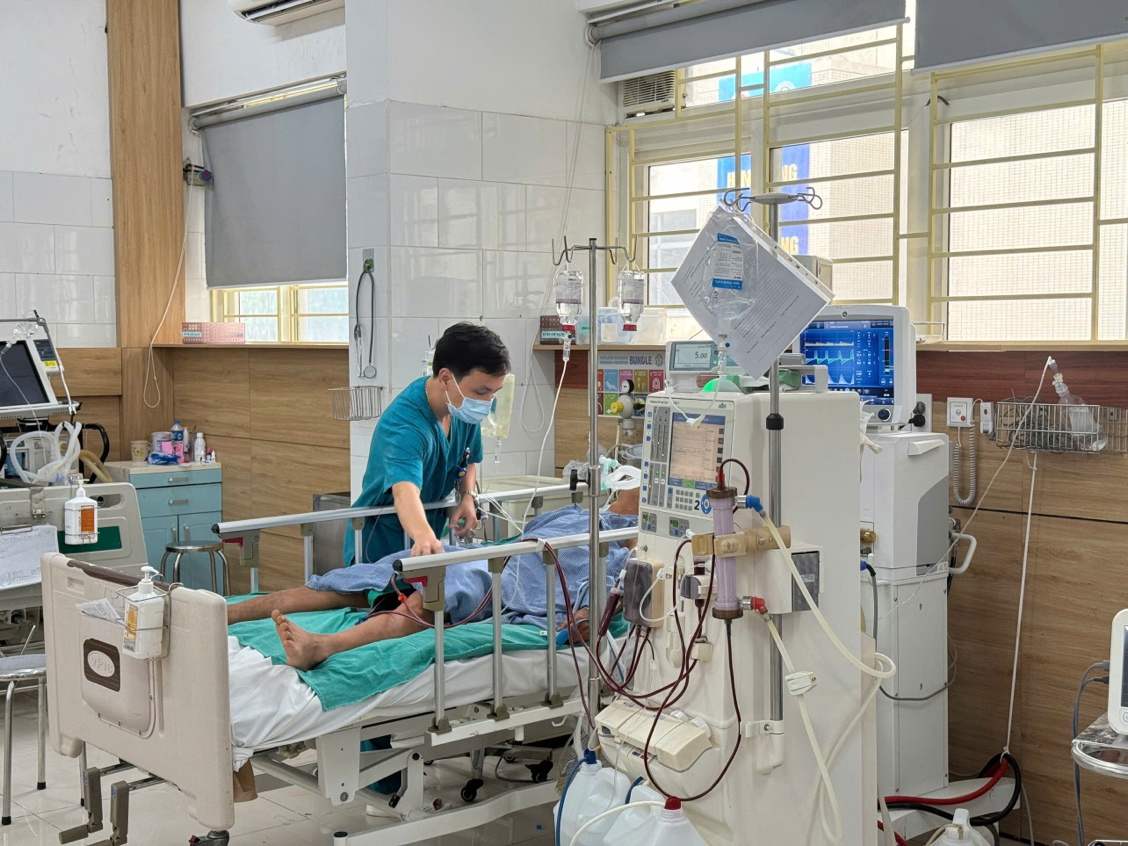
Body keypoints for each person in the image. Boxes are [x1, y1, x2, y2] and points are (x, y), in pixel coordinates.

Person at [226, 488, 640, 670]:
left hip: (496, 579)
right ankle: (227, 613)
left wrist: (582, 617)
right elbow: (522, 535)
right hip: (486, 556)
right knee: (351, 580)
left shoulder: (625, 551)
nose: (627, 492)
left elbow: (595, 608)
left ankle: (323, 646)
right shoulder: (576, 513)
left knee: (432, 594)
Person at [345, 323, 510, 566]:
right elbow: (405, 491)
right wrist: (423, 535)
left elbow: (468, 459)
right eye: (481, 391)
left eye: (494, 392)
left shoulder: (462, 410)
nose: (487, 402)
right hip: (380, 547)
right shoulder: (405, 425)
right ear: (446, 378)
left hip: (427, 541)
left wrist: (467, 496)